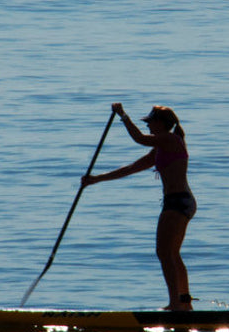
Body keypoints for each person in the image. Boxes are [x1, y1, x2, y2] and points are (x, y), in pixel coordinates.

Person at [82, 102, 196, 311]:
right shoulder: (161, 149)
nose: (148, 126)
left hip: (177, 202)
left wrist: (123, 115)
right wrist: (96, 179)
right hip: (180, 202)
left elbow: (139, 139)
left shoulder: (171, 139)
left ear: (161, 124)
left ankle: (175, 304)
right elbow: (132, 168)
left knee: (164, 253)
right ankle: (185, 303)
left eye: (150, 122)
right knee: (172, 253)